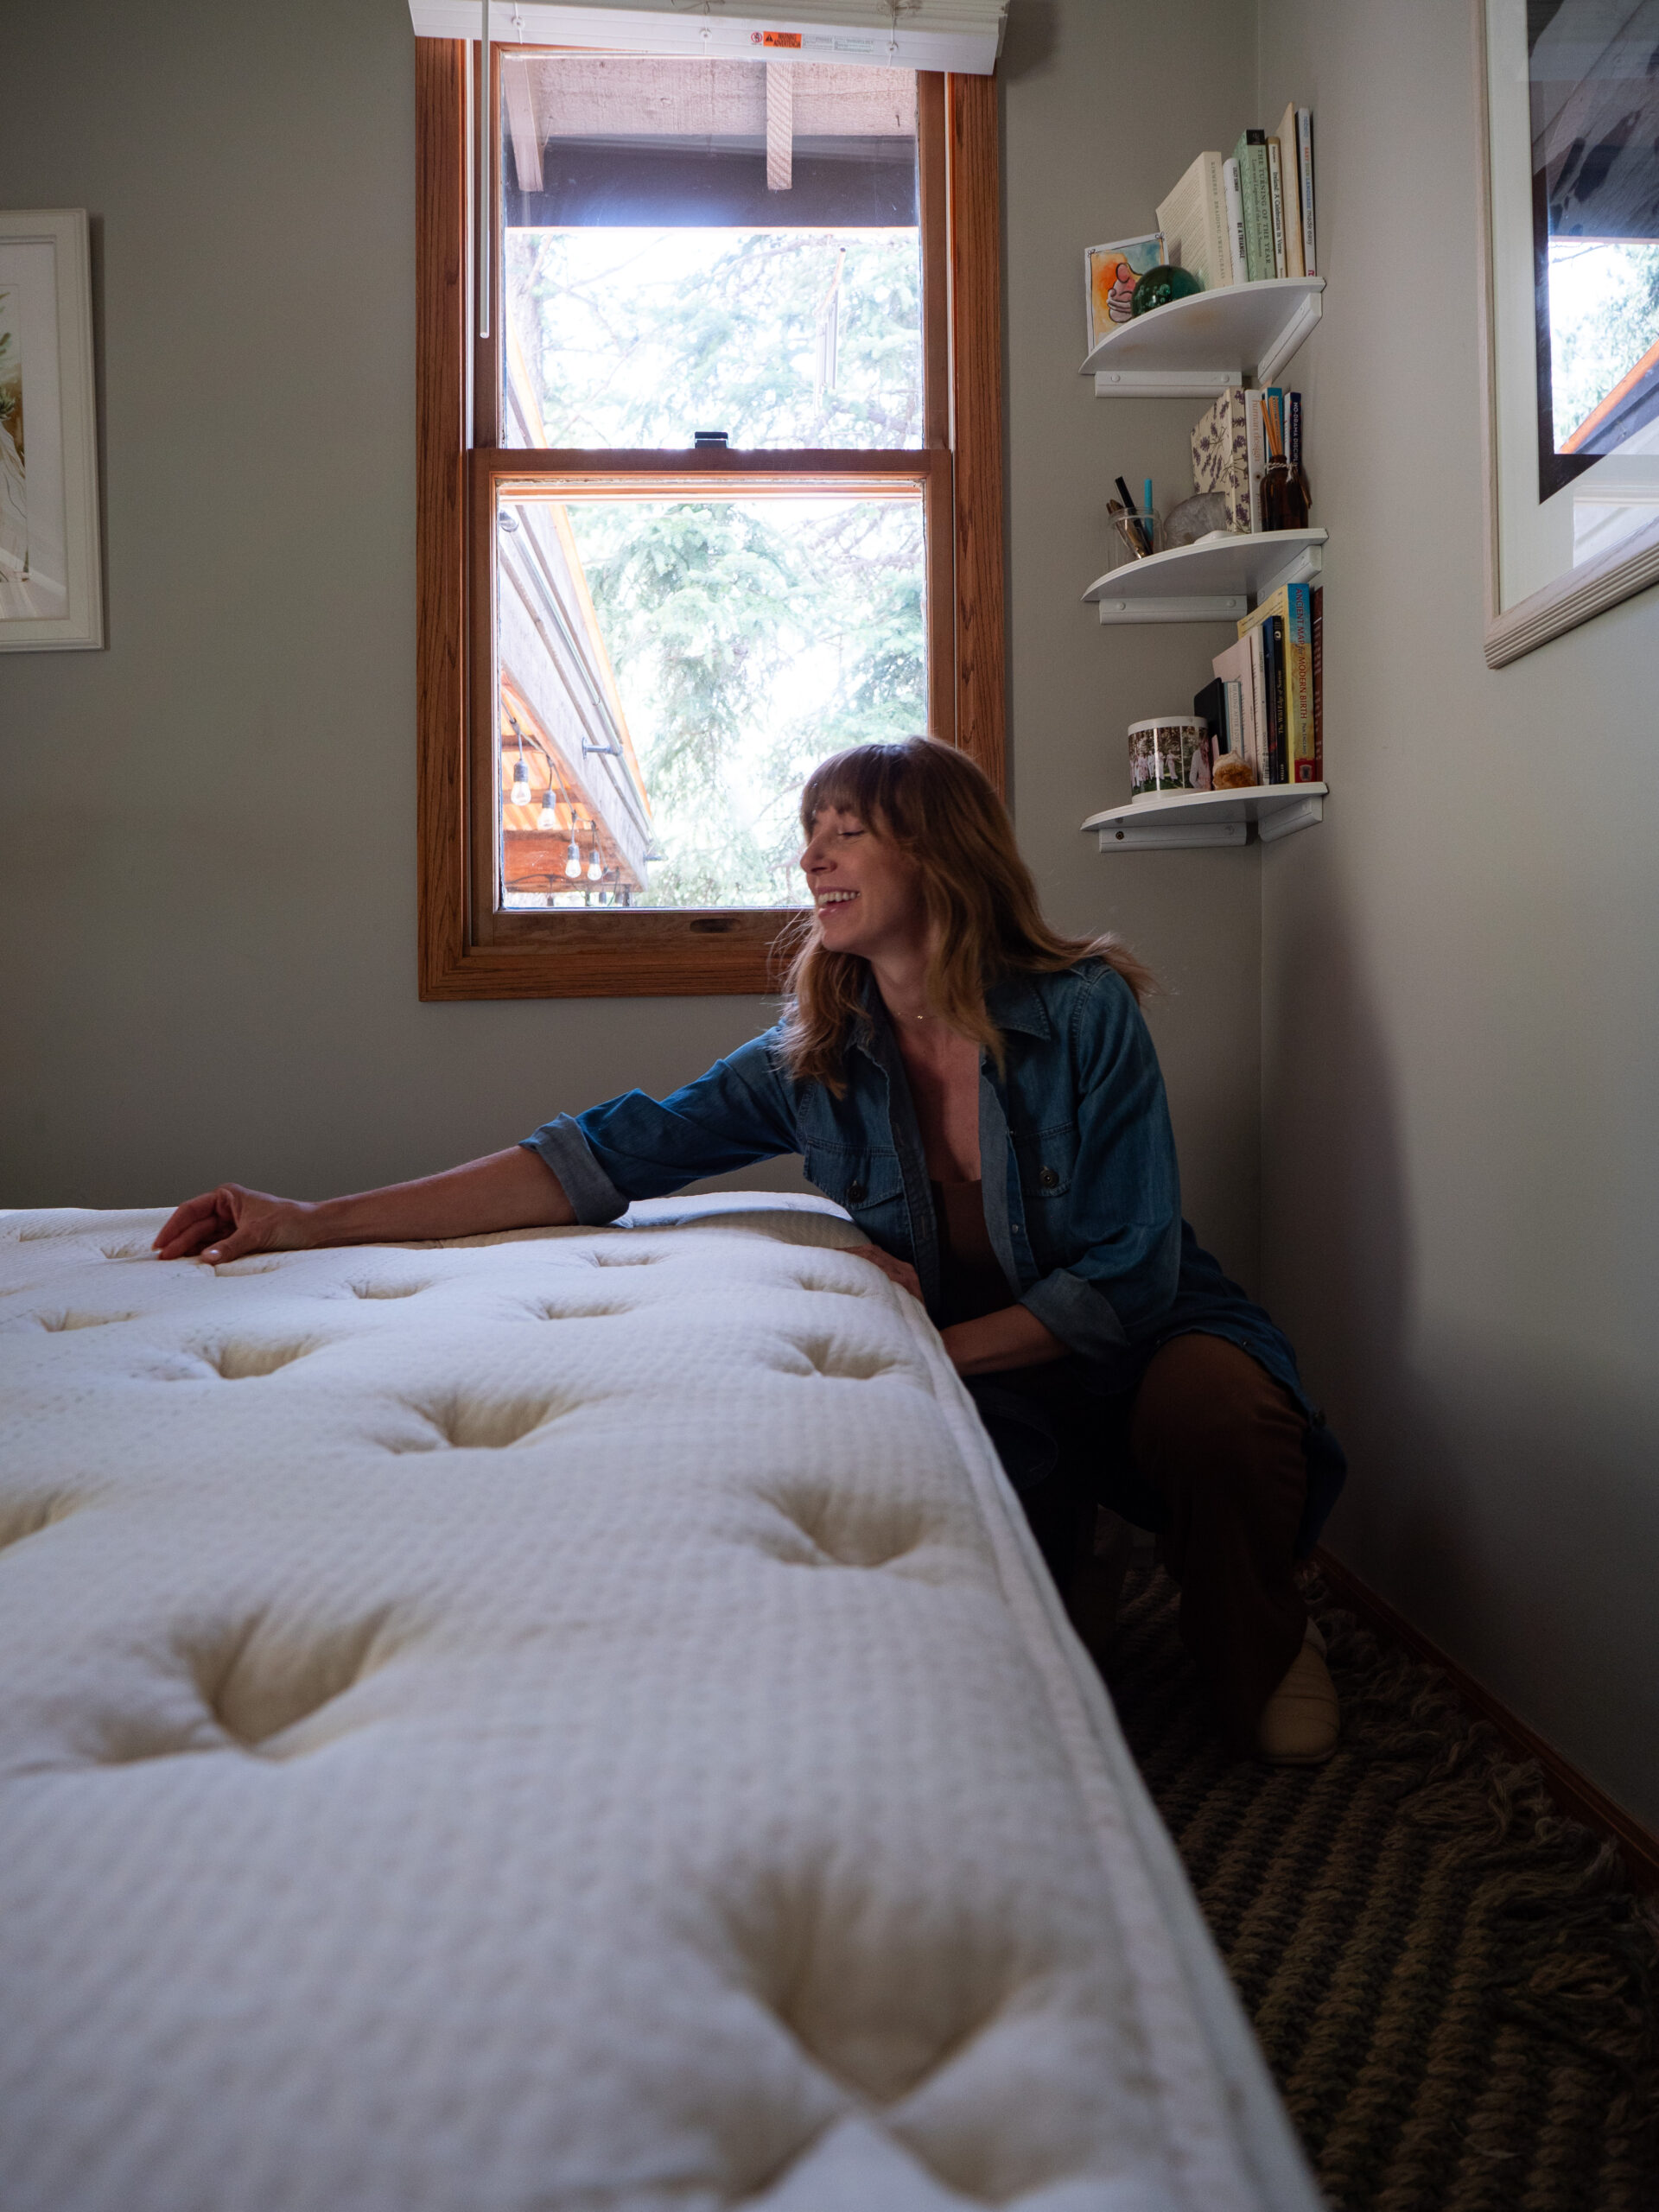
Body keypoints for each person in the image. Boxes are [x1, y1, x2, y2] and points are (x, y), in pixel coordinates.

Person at [156, 739, 1344, 1763]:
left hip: (1140, 1338)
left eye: (846, 832)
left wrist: (936, 1349)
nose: (812, 859)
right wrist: (310, 1219)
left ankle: (1264, 1632)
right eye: (807, 834)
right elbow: (591, 1160)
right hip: (988, 1380)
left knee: (1222, 1422)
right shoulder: (814, 1053)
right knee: (1018, 1685)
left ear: (939, 851)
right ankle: (1068, 1557)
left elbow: (1132, 1271)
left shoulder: (1086, 1010)